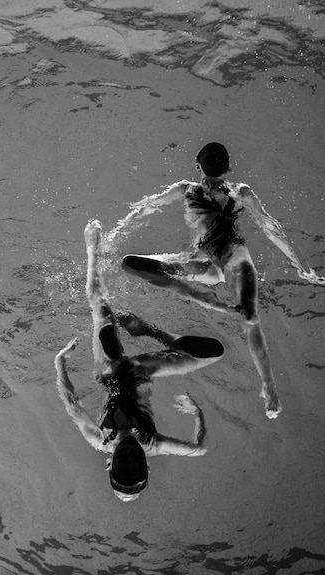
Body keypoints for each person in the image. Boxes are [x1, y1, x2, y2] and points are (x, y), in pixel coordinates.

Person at [114, 142, 325, 419]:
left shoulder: (237, 193)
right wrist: (120, 229)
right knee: (130, 263)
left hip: (234, 259)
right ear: (203, 164)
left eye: (218, 157)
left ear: (214, 165)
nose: (215, 160)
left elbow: (271, 228)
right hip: (206, 264)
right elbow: (146, 207)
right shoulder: (188, 189)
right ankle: (207, 300)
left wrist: (301, 266)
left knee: (250, 315)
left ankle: (268, 385)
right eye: (213, 157)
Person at [54, 220, 224, 501]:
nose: (131, 449)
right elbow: (199, 449)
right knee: (214, 351)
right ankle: (149, 331)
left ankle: (92, 252)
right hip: (144, 371)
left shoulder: (98, 438)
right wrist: (195, 412)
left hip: (112, 371)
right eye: (138, 457)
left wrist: (60, 362)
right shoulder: (155, 444)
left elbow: (72, 404)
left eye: (124, 457)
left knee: (102, 312)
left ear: (109, 464)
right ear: (147, 464)